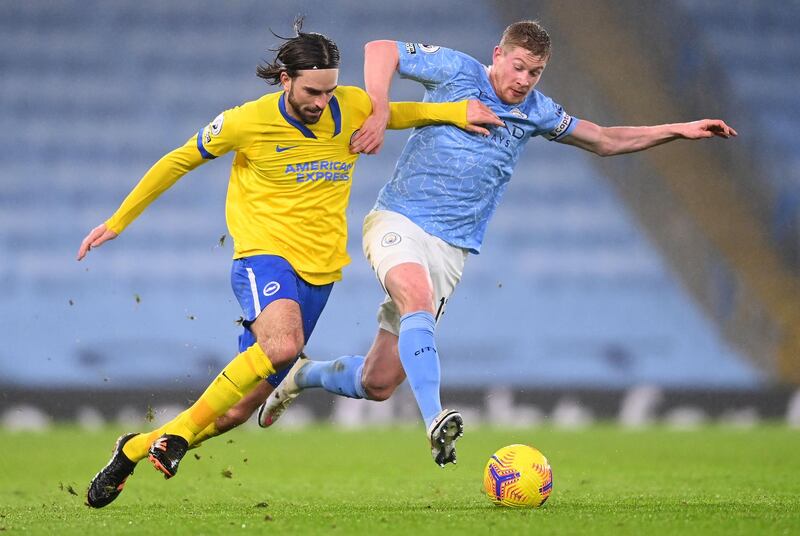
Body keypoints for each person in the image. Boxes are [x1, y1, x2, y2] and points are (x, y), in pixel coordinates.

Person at [256, 20, 738, 466]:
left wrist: (676, 129)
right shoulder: (457, 71)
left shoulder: (538, 111)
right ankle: (433, 420)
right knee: (416, 298)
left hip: (451, 250)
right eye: (519, 66)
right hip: (398, 219)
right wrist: (379, 106)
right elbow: (381, 49)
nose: (525, 79)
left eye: (536, 71)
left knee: (378, 382)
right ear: (498, 55)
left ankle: (303, 375)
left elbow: (604, 139)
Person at [80, 18, 502, 508]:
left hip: (319, 272)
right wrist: (118, 220)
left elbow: (400, 112)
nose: (322, 102)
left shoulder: (350, 106)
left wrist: (454, 111)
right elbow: (179, 159)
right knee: (285, 344)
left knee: (236, 413)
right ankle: (176, 442)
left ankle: (131, 449)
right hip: (264, 254)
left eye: (329, 91)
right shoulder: (247, 121)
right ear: (285, 79)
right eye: (312, 92)